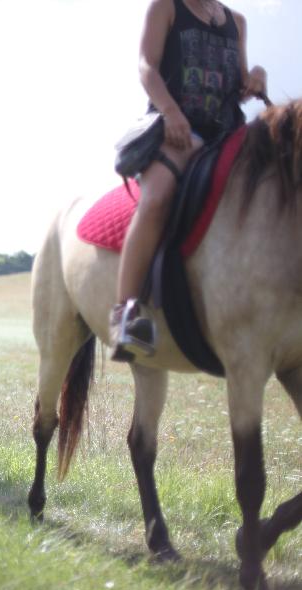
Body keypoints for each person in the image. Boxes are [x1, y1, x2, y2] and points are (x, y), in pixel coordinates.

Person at [110, 0, 267, 361]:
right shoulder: (166, 7)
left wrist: (257, 75)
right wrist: (170, 111)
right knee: (157, 199)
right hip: (177, 129)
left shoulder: (237, 21)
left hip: (227, 136)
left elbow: (241, 83)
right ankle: (125, 315)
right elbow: (146, 67)